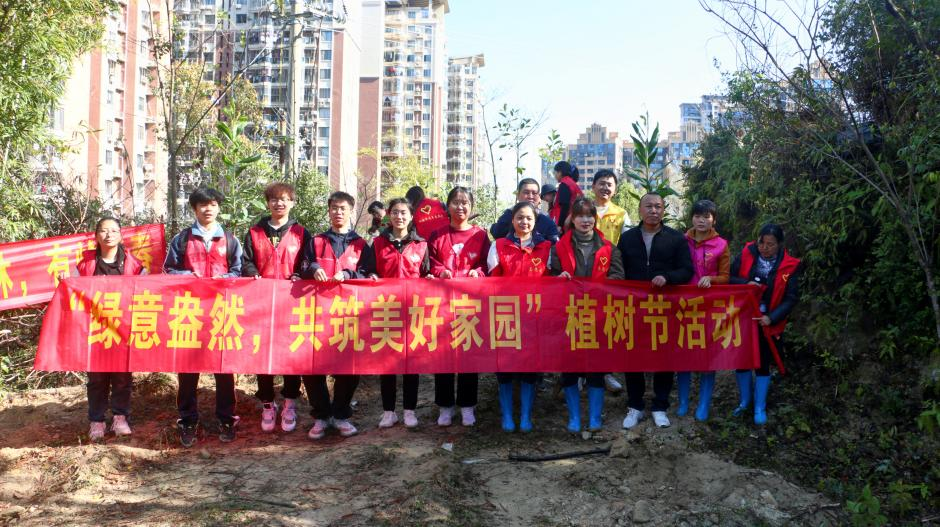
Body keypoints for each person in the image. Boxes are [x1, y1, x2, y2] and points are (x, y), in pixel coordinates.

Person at [164, 187, 243, 447]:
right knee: (187, 368)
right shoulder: (182, 239)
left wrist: (224, 278)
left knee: (224, 366)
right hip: (190, 311)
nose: (208, 209)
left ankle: (227, 418)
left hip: (222, 311)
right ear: (194, 209)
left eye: (213, 204)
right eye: (202, 205)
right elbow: (168, 270)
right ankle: (187, 420)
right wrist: (189, 277)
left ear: (218, 207)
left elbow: (239, 271)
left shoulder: (229, 239)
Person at [616, 193, 693, 429]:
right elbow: (618, 270)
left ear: (663, 210)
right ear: (640, 210)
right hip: (633, 307)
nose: (654, 210)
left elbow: (687, 270)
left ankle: (660, 406)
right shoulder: (627, 238)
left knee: (664, 356)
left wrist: (667, 277)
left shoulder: (676, 238)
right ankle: (635, 406)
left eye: (658, 206)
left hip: (664, 307)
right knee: (632, 356)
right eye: (648, 206)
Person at [549, 197, 625, 433]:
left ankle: (594, 417)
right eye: (580, 215)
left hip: (598, 315)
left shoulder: (609, 248)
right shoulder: (558, 247)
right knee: (569, 368)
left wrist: (600, 286)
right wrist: (558, 279)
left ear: (595, 218)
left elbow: (618, 278)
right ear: (572, 219)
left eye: (589, 215)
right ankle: (574, 417)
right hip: (569, 315)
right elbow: (549, 278)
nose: (585, 220)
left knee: (596, 368)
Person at [241, 182, 312, 433]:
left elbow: (308, 262)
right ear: (267, 203)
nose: (279, 203)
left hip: (292, 303)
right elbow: (246, 261)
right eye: (274, 199)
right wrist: (253, 274)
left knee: (291, 353)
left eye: (284, 199)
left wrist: (300, 274)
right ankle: (268, 403)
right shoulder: (254, 232)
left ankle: (290, 401)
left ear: (292, 203)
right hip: (261, 304)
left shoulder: (301, 233)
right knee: (263, 353)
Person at [300, 191, 368, 439]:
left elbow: (369, 273)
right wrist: (314, 268)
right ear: (328, 211)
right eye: (334, 208)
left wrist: (349, 274)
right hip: (317, 314)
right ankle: (321, 415)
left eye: (343, 208)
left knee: (349, 366)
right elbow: (302, 266)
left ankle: (340, 414)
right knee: (312, 364)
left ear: (351, 211)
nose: (338, 212)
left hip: (349, 315)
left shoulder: (360, 244)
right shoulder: (316, 241)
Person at [360, 198, 431, 429]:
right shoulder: (378, 243)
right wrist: (371, 275)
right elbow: (369, 270)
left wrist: (430, 278)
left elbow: (426, 272)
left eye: (403, 213)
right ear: (389, 216)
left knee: (411, 363)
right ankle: (388, 411)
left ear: (411, 216)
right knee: (387, 363)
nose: (399, 217)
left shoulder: (421, 244)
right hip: (386, 310)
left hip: (413, 310)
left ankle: (410, 410)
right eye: (395, 213)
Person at [77, 217, 146, 441]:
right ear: (96, 235)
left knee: (122, 376)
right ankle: (96, 421)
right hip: (94, 329)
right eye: (104, 231)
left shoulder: (134, 265)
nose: (109, 235)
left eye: (114, 231)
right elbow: (73, 291)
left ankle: (120, 417)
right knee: (96, 378)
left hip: (123, 329)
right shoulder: (85, 264)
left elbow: (147, 293)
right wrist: (64, 282)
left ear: (121, 235)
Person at [428, 186, 490, 427]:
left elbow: (487, 263)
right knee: (443, 355)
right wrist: (439, 271)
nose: (460, 207)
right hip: (442, 304)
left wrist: (479, 272)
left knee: (468, 355)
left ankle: (467, 405)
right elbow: (430, 263)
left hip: (469, 305)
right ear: (448, 206)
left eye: (465, 202)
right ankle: (445, 406)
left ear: (471, 206)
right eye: (455, 202)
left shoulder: (480, 235)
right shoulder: (438, 235)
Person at [488, 201, 552, 432]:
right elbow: (492, 281)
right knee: (505, 366)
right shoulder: (499, 245)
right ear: (512, 220)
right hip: (506, 314)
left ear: (535, 222)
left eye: (529, 218)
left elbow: (550, 281)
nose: (524, 222)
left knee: (530, 366)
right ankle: (507, 415)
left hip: (534, 315)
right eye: (520, 217)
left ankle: (525, 415)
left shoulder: (545, 247)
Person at [730, 223, 801, 425]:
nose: (764, 248)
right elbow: (729, 278)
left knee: (763, 362)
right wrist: (745, 284)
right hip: (743, 317)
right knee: (742, 360)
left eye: (770, 244)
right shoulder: (747, 253)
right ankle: (745, 401)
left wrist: (772, 317)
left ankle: (759, 406)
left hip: (767, 321)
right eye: (761, 242)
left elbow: (791, 298)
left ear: (779, 244)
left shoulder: (790, 265)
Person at [676, 199, 730, 421]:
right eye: (698, 216)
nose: (701, 220)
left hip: (709, 307)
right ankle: (683, 402)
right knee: (684, 354)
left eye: (706, 217)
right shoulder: (681, 240)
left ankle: (703, 404)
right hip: (684, 306)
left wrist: (711, 279)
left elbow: (726, 277)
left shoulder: (721, 245)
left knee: (708, 356)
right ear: (692, 218)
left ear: (713, 220)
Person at [589, 169, 630, 394]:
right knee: (583, 321)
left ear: (615, 189)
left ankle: (606, 372)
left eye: (610, 184)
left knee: (607, 324)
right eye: (601, 183)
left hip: (610, 275)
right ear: (593, 186)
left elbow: (627, 244)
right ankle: (580, 371)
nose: (605, 187)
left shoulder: (621, 214)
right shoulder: (584, 210)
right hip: (584, 274)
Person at [490, 178, 560, 243]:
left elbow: (554, 243)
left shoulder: (547, 220)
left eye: (534, 193)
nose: (530, 196)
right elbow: (497, 233)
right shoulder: (509, 215)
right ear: (518, 195)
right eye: (526, 192)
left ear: (539, 196)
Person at [549, 161, 583, 230]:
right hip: (574, 220)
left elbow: (565, 206)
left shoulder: (564, 184)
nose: (555, 176)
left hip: (566, 224)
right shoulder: (573, 184)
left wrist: (560, 225)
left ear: (559, 172)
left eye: (555, 173)